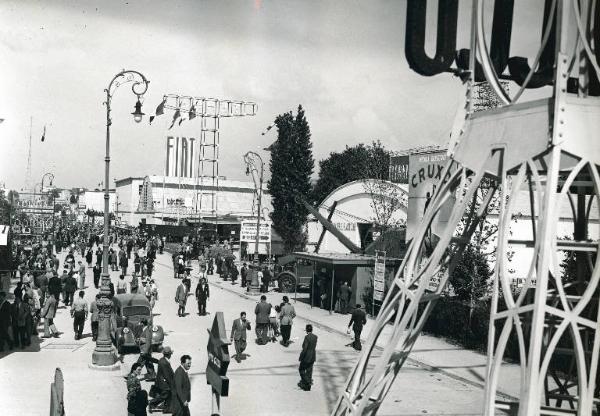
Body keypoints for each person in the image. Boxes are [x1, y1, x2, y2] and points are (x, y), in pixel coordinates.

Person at [149, 346, 175, 412]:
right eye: (170, 354)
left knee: (169, 394)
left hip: (162, 381)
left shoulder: (163, 360)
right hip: (163, 383)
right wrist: (172, 383)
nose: (171, 355)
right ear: (169, 354)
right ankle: (152, 403)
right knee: (165, 395)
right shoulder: (164, 362)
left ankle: (167, 408)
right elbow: (167, 375)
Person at [298, 324, 318, 391]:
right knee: (309, 370)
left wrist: (301, 357)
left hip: (306, 356)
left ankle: (307, 382)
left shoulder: (307, 337)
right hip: (313, 355)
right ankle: (308, 386)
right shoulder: (315, 337)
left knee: (301, 369)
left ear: (306, 330)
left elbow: (305, 348)